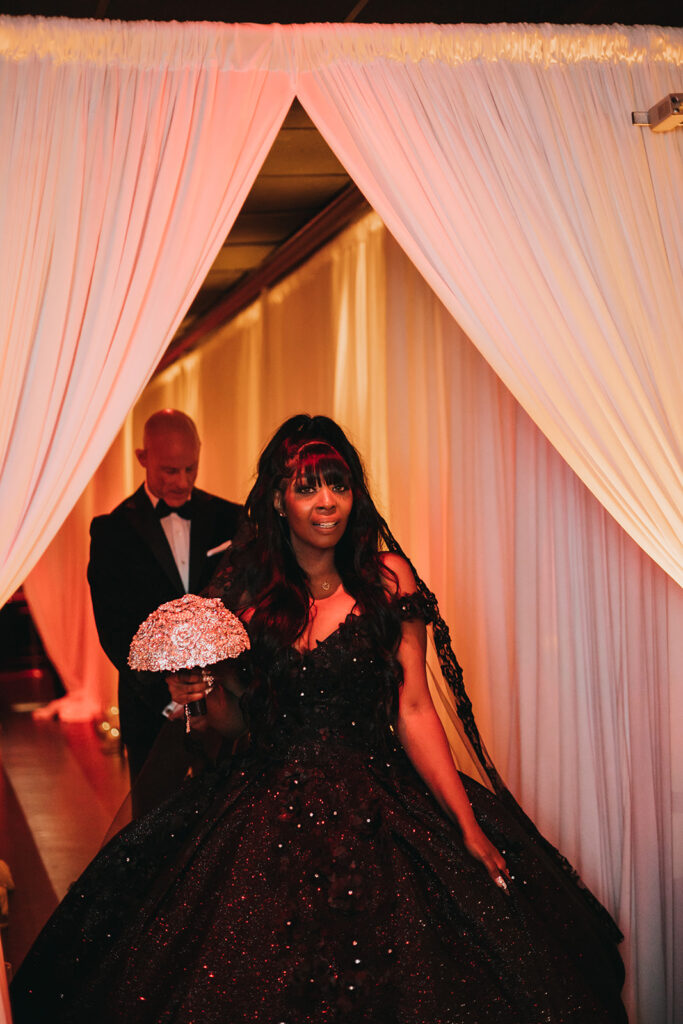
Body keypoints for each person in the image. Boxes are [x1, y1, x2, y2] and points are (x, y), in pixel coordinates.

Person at [11, 414, 627, 1023]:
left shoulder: (388, 579)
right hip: (262, 809)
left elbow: (413, 709)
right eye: (307, 487)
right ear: (279, 500)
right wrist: (196, 691)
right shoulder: (242, 592)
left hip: (383, 805)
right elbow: (231, 724)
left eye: (338, 484)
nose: (326, 502)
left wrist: (466, 826)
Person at [87, 408, 242, 791]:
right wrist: (165, 691)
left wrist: (223, 687)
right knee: (154, 822)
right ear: (143, 458)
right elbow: (114, 627)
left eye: (191, 468)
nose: (183, 481)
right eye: (170, 471)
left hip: (227, 702)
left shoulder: (232, 519)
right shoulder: (112, 532)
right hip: (149, 709)